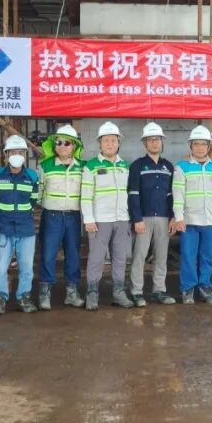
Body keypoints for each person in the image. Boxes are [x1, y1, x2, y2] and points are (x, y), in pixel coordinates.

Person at [172, 125, 212, 304]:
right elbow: (178, 195)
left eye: (203, 144)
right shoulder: (182, 168)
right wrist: (178, 218)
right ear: (191, 146)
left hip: (210, 221)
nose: (199, 147)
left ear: (209, 146)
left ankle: (204, 286)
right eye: (196, 144)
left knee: (207, 257)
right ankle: (188, 289)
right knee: (188, 256)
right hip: (189, 222)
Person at [81, 121, 132, 310]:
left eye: (113, 140)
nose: (110, 144)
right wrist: (88, 219)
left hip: (121, 219)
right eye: (106, 140)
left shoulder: (125, 165)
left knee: (120, 258)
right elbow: (86, 196)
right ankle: (92, 293)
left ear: (118, 143)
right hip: (99, 221)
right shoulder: (91, 166)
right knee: (96, 258)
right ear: (99, 143)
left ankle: (118, 293)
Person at [36, 125, 85, 310]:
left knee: (73, 255)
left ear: (74, 146)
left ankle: (72, 293)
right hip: (52, 216)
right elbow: (39, 192)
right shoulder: (45, 166)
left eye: (67, 143)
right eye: (59, 142)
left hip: (74, 217)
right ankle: (44, 293)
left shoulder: (83, 167)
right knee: (48, 254)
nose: (62, 146)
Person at [128, 122, 176, 307]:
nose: (154, 143)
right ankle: (137, 292)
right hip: (144, 219)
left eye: (157, 139)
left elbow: (172, 195)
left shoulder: (168, 166)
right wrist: (137, 219)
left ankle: (159, 290)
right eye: (150, 140)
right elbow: (133, 194)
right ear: (144, 143)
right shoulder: (137, 166)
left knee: (161, 256)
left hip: (164, 218)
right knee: (139, 256)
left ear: (162, 142)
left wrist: (173, 217)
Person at [0, 134, 39, 314]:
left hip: (26, 229)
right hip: (3, 228)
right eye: (12, 152)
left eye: (20, 152)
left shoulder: (32, 176)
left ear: (25, 155)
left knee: (26, 267)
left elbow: (33, 200)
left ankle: (24, 297)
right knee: (0, 267)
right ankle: (0, 297)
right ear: (5, 155)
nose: (16, 155)